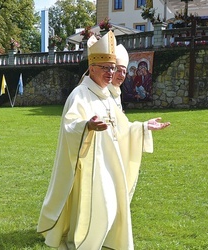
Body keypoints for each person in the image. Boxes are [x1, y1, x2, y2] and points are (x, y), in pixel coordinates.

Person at [37, 31, 170, 249]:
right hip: (91, 167)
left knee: (112, 207)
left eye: (113, 68)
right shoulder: (79, 95)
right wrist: (86, 126)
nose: (111, 73)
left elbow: (122, 127)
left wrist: (143, 127)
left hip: (110, 165)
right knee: (101, 207)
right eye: (106, 68)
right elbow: (70, 127)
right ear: (92, 68)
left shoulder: (107, 96)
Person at [108, 44, 129, 111]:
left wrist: (146, 122)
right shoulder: (102, 90)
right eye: (119, 71)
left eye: (124, 72)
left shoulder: (117, 92)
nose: (122, 75)